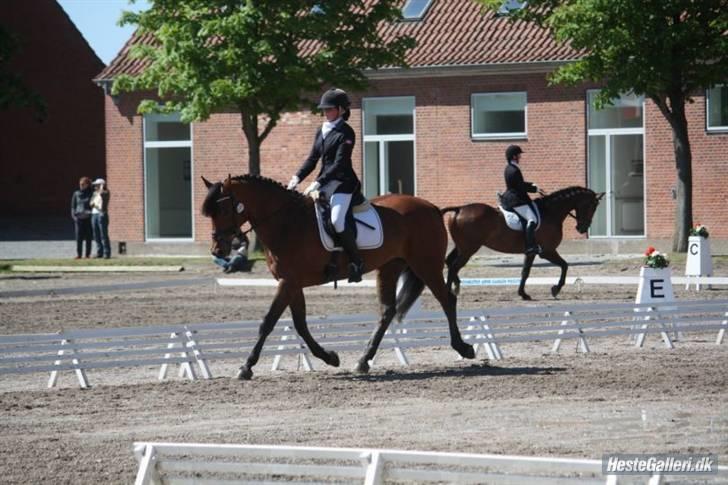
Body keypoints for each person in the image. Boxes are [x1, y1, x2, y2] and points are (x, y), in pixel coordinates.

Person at [286, 88, 364, 283]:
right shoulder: (322, 130)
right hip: (325, 182)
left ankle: (356, 262)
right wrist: (297, 177)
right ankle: (329, 258)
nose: (326, 113)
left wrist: (318, 181)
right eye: (324, 110)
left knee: (337, 220)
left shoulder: (346, 132)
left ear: (340, 110)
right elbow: (313, 159)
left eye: (329, 109)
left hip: (343, 183)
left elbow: (340, 164)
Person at [501, 145, 542, 255]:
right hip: (516, 199)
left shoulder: (509, 168)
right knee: (532, 219)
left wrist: (531, 184)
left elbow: (519, 184)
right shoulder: (514, 170)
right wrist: (534, 188)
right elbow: (520, 187)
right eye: (519, 155)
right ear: (514, 156)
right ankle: (530, 247)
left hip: (512, 196)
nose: (520, 157)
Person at [71, 176, 93, 259]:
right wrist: (74, 217)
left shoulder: (91, 194)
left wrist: (90, 213)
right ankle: (79, 255)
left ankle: (87, 255)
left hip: (88, 219)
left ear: (87, 185)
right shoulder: (76, 194)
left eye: (83, 184)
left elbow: (94, 205)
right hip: (79, 219)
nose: (81, 186)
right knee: (79, 238)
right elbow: (73, 206)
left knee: (88, 237)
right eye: (80, 184)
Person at [90, 178, 111, 259]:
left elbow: (103, 195)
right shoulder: (95, 193)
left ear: (101, 185)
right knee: (96, 235)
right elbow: (91, 203)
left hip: (102, 214)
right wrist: (94, 203)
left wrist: (101, 188)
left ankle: (107, 253)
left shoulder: (106, 192)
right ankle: (99, 252)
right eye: (95, 185)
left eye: (97, 185)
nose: (95, 187)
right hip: (94, 214)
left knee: (103, 234)